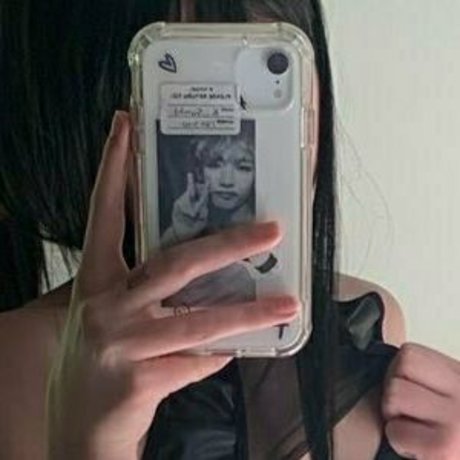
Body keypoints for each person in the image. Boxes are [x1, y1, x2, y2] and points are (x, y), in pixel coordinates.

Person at [0, 1, 459, 460]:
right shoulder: (26, 358)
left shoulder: (363, 324)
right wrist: (92, 444)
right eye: (185, 86)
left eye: (274, 67)